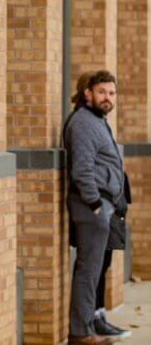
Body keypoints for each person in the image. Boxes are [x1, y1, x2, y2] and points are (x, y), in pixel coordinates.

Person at [64, 70, 128, 344]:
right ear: (88, 93)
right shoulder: (83, 122)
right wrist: (95, 204)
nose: (107, 98)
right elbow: (82, 169)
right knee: (88, 272)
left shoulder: (96, 120)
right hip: (91, 207)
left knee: (94, 270)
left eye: (112, 93)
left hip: (101, 206)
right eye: (102, 92)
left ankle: (87, 325)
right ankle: (81, 333)